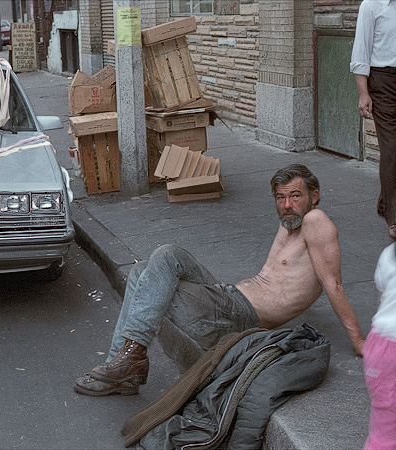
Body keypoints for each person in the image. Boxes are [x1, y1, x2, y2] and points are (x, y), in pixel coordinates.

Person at [75, 164, 366, 396]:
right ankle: (126, 366)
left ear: (314, 196)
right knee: (144, 270)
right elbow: (292, 278)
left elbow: (334, 285)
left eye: (295, 196)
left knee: (161, 260)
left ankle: (128, 358)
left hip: (238, 316)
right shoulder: (291, 224)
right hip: (227, 297)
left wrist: (360, 342)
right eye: (280, 198)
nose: (287, 204)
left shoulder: (317, 221)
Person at [350, 0, 396, 240]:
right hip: (383, 81)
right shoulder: (371, 5)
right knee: (392, 148)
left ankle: (384, 202)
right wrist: (363, 93)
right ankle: (394, 216)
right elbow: (361, 51)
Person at [363, 242, 396, 449]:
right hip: (389, 348)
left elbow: (382, 298)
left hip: (381, 346)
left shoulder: (388, 254)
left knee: (386, 427)